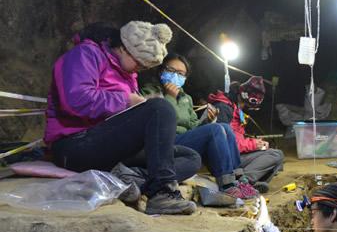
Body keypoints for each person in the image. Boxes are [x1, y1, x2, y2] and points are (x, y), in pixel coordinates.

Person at [45, 21, 197, 215]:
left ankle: (128, 179)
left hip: (108, 147)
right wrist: (125, 100)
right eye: (139, 63)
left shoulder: (127, 73)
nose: (139, 69)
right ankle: (161, 192)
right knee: (161, 108)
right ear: (124, 48)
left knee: (190, 157)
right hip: (75, 145)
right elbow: (76, 100)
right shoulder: (85, 54)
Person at [141, 54, 257, 200]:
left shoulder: (186, 98)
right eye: (171, 70)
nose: (175, 76)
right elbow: (160, 120)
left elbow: (192, 126)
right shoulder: (150, 91)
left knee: (224, 127)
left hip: (183, 141)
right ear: (161, 70)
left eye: (180, 73)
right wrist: (170, 97)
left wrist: (207, 121)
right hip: (164, 142)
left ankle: (239, 179)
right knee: (216, 130)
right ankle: (227, 185)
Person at [208, 76, 284, 193]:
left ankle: (251, 183)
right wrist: (254, 144)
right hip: (225, 161)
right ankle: (243, 183)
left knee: (277, 157)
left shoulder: (235, 108)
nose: (246, 108)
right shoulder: (223, 108)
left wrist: (254, 142)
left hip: (235, 155)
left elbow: (236, 137)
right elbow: (224, 144)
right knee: (275, 155)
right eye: (247, 105)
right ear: (243, 95)